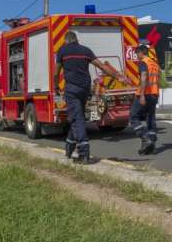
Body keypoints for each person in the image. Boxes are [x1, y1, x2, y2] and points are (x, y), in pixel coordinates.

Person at [54, 31, 127, 164]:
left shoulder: (62, 51)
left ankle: (84, 153)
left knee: (77, 118)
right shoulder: (86, 50)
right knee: (76, 116)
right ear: (77, 40)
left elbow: (56, 72)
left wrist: (55, 87)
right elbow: (101, 66)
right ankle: (69, 146)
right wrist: (117, 76)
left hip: (72, 89)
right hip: (84, 89)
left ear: (65, 40)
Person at [129, 44, 160, 155]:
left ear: (141, 53)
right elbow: (157, 80)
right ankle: (151, 147)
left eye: (137, 54)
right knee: (150, 120)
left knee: (133, 116)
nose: (137, 56)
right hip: (154, 94)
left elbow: (144, 76)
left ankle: (145, 138)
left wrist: (141, 95)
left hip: (145, 94)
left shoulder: (143, 62)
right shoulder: (154, 63)